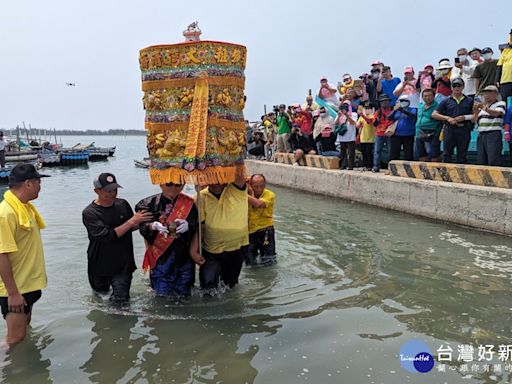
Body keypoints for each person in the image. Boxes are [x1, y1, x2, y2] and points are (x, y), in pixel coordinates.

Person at [82, 173, 153, 304]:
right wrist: (132, 222)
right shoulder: (90, 212)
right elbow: (106, 236)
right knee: (99, 299)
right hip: (99, 265)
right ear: (96, 191)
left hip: (123, 264)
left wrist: (149, 222)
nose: (112, 193)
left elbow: (130, 226)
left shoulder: (123, 204)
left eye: (115, 189)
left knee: (121, 303)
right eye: (108, 190)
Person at [0, 163, 50, 345]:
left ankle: (25, 368)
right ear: (28, 183)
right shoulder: (6, 213)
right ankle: (9, 371)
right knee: (15, 338)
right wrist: (13, 293)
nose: (40, 187)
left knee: (24, 331)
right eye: (38, 182)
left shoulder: (25, 208)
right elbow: (1, 254)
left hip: (27, 284)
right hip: (15, 289)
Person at [189, 165, 248, 292]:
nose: (215, 182)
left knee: (231, 285)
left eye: (218, 177)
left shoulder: (236, 190)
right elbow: (200, 227)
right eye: (211, 177)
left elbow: (238, 174)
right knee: (208, 287)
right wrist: (194, 251)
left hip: (236, 248)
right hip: (211, 251)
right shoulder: (200, 197)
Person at [135, 182, 198, 297]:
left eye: (177, 185)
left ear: (183, 186)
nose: (173, 188)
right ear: (161, 185)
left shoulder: (190, 203)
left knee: (185, 294)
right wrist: (152, 225)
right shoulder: (148, 203)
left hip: (183, 257)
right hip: (161, 257)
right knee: (161, 295)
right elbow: (142, 225)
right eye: (169, 184)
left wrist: (189, 225)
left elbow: (197, 225)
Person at [432, 77, 474, 163]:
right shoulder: (446, 101)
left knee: (462, 155)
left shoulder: (470, 100)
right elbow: (434, 114)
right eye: (454, 86)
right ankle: (445, 175)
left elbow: (475, 115)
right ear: (451, 87)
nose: (457, 88)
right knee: (446, 154)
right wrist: (447, 118)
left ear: (463, 87)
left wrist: (465, 117)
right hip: (449, 130)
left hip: (464, 129)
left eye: (459, 85)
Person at [472, 85, 507, 166]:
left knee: (493, 159)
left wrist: (483, 107)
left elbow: (496, 113)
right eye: (485, 93)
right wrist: (476, 112)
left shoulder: (500, 103)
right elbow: (474, 120)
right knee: (481, 160)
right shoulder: (482, 107)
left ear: (495, 94)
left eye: (489, 93)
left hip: (493, 133)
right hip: (481, 134)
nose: (486, 95)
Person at [246, 174, 276, 266]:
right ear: (251, 185)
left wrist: (241, 193)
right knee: (249, 262)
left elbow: (258, 204)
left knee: (269, 260)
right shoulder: (248, 193)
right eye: (256, 186)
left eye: (262, 186)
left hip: (266, 231)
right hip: (250, 232)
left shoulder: (270, 195)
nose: (259, 189)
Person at [415, 88, 442, 162]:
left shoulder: (438, 106)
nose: (427, 98)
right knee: (421, 154)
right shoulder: (420, 106)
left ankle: (436, 171)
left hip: (433, 133)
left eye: (429, 96)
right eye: (425, 96)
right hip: (419, 133)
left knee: (434, 154)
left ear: (433, 96)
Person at [388, 94, 417, 161]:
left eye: (405, 101)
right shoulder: (396, 110)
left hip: (409, 135)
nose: (403, 102)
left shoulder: (412, 109)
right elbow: (389, 118)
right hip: (396, 134)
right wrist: (395, 110)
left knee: (408, 154)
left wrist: (403, 110)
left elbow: (413, 116)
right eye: (401, 101)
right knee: (394, 154)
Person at [372, 94, 394, 172]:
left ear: (389, 102)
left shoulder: (392, 110)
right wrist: (376, 121)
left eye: (386, 101)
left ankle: (390, 167)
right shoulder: (378, 112)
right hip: (379, 133)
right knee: (377, 151)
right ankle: (376, 166)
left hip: (389, 133)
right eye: (382, 102)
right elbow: (374, 124)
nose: (384, 103)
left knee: (390, 151)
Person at [335, 103, 357, 170]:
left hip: (350, 137)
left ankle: (350, 166)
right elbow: (335, 124)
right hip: (342, 137)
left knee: (351, 152)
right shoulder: (339, 115)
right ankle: (343, 165)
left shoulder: (353, 114)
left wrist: (346, 115)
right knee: (343, 152)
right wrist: (338, 116)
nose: (343, 110)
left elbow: (353, 123)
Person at [357, 101, 376, 170]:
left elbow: (369, 121)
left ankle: (370, 166)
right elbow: (357, 125)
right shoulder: (361, 117)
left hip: (371, 138)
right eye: (366, 108)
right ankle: (365, 165)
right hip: (363, 137)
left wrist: (362, 115)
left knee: (369, 152)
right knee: (364, 152)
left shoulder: (373, 116)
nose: (368, 110)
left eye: (369, 108)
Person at [496, 29, 512, 103]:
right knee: (505, 102)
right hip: (505, 81)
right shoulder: (506, 50)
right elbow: (500, 66)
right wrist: (496, 80)